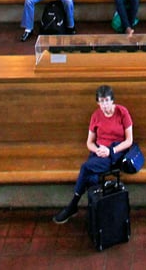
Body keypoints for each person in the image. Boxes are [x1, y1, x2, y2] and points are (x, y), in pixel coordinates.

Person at [53, 85, 135, 224]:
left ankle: (73, 204)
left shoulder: (122, 112)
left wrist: (111, 151)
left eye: (107, 101)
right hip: (99, 152)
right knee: (91, 178)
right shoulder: (96, 116)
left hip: (115, 153)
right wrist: (97, 150)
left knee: (85, 168)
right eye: (101, 102)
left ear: (112, 101)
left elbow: (129, 141)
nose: (104, 105)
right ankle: (97, 213)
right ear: (98, 103)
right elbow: (89, 142)